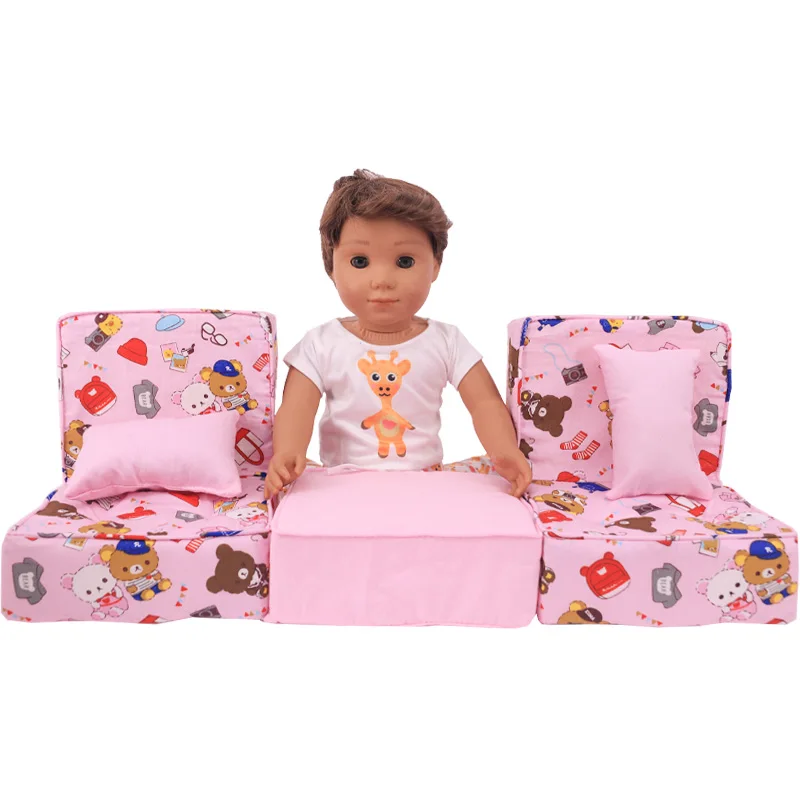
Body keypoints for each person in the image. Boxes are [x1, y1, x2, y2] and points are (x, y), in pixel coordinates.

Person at [265, 168, 531, 498]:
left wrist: (503, 449)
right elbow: (296, 408)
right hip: (341, 482)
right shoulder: (320, 344)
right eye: (360, 261)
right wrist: (287, 452)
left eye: (404, 261)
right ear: (332, 265)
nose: (382, 280)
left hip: (424, 481)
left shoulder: (447, 341)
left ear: (435, 265)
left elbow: (485, 403)